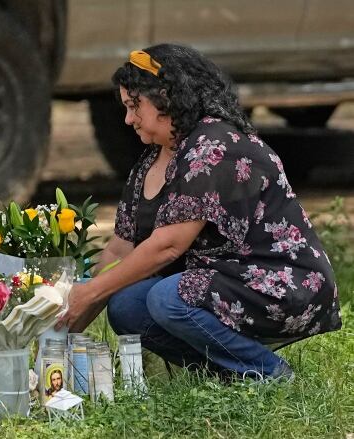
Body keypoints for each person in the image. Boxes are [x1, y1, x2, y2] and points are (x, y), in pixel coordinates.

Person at [57, 44, 342, 380]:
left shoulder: (214, 146)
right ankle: (228, 373)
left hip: (279, 283)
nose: (128, 119)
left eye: (135, 106)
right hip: (220, 285)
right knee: (126, 306)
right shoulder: (151, 163)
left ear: (167, 98)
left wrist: (89, 292)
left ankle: (268, 372)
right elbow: (120, 251)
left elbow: (168, 245)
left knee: (168, 298)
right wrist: (63, 325)